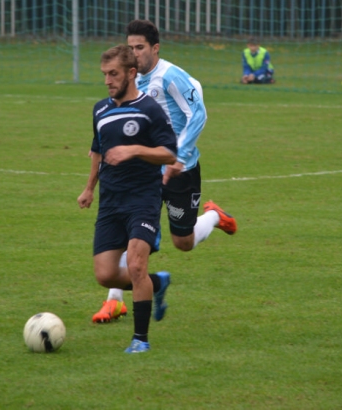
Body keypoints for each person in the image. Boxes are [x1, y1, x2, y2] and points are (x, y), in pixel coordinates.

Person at [91, 19, 238, 324]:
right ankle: (114, 301)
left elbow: (198, 112)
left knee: (182, 242)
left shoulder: (170, 76)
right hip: (145, 174)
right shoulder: (130, 81)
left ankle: (213, 216)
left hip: (181, 169)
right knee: (130, 234)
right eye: (130, 48)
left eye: (140, 48)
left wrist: (179, 157)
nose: (134, 53)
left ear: (155, 49)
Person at [77, 45, 178, 353]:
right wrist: (89, 188)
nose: (108, 81)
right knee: (105, 274)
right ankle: (157, 283)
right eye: (105, 75)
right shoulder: (100, 110)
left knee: (135, 266)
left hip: (142, 198)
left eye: (114, 74)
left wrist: (134, 150)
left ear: (132, 73)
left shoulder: (149, 109)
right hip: (110, 201)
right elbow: (98, 151)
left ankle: (140, 340)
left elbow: (168, 152)